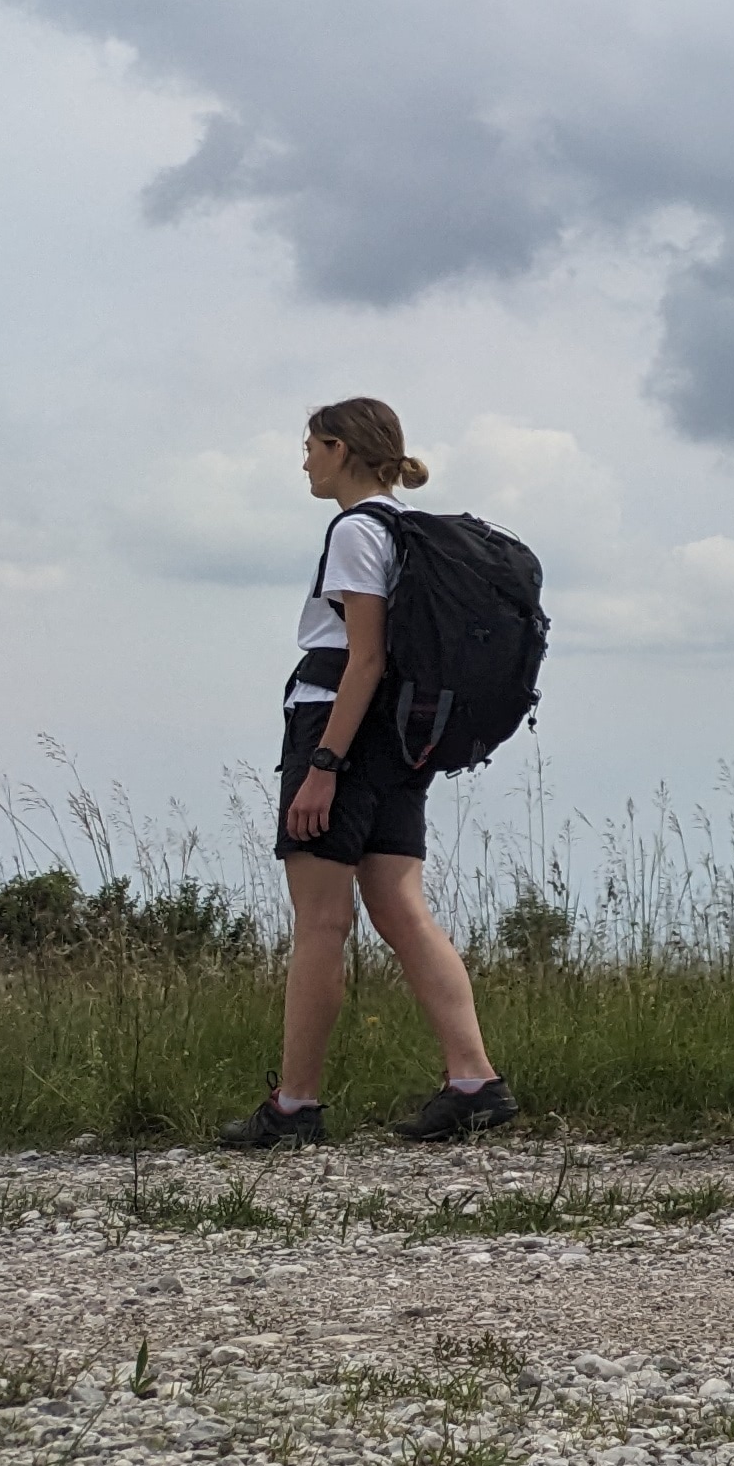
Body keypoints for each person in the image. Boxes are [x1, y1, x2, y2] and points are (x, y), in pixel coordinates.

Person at [218, 399, 519, 1148]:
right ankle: (474, 1081)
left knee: (321, 922)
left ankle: (295, 1106)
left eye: (312, 446)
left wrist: (323, 764)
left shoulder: (356, 531)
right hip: (400, 739)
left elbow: (366, 658)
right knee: (400, 908)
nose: (305, 462)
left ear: (342, 448)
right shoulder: (404, 532)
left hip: (338, 728)